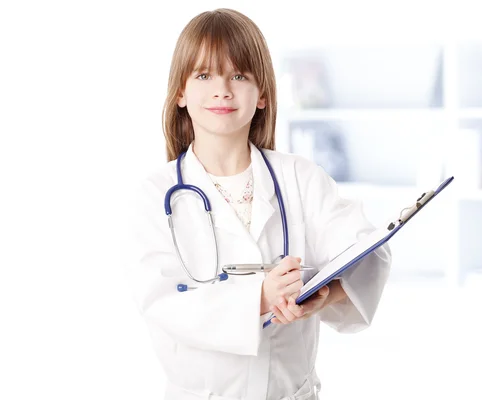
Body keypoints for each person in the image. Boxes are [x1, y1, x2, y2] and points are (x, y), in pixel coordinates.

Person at [126, 8, 392, 400]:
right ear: (180, 93)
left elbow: (368, 251)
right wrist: (261, 298)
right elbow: (162, 301)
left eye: (239, 75)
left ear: (263, 93)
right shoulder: (154, 194)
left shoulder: (300, 177)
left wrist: (325, 294)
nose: (222, 90)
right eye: (204, 75)